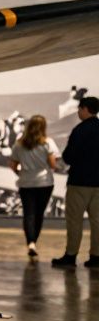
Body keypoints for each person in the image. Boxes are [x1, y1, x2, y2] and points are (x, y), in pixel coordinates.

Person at [53, 95, 99, 268]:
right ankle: (96, 257)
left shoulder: (80, 130)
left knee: (75, 221)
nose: (78, 112)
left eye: (79, 109)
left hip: (79, 181)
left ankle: (71, 256)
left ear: (85, 109)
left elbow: (69, 157)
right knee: (97, 221)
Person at [8, 115, 59, 259]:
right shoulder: (48, 143)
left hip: (26, 183)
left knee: (29, 213)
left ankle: (30, 242)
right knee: (39, 214)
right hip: (44, 183)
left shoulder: (19, 144)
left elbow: (12, 164)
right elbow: (53, 165)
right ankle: (34, 240)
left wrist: (21, 173)